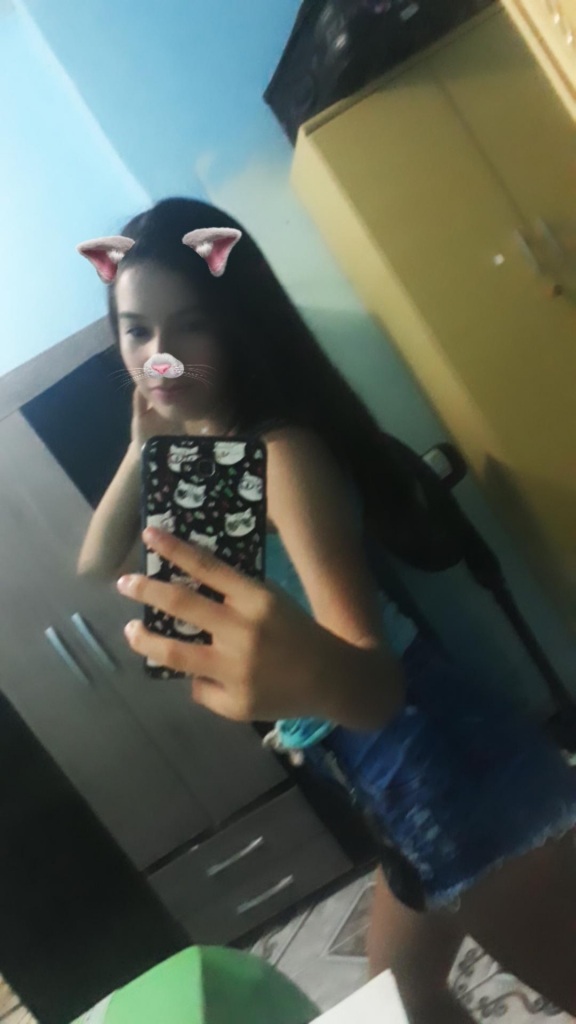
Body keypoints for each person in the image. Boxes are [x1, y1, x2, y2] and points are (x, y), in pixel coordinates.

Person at [78, 198, 576, 1023]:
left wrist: (288, 671)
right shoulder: (206, 458)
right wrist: (142, 444)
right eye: (137, 331)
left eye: (190, 325)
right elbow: (96, 562)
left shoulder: (282, 453)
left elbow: (372, 680)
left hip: (432, 756)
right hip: (376, 772)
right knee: (404, 991)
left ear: (236, 325)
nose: (160, 355)